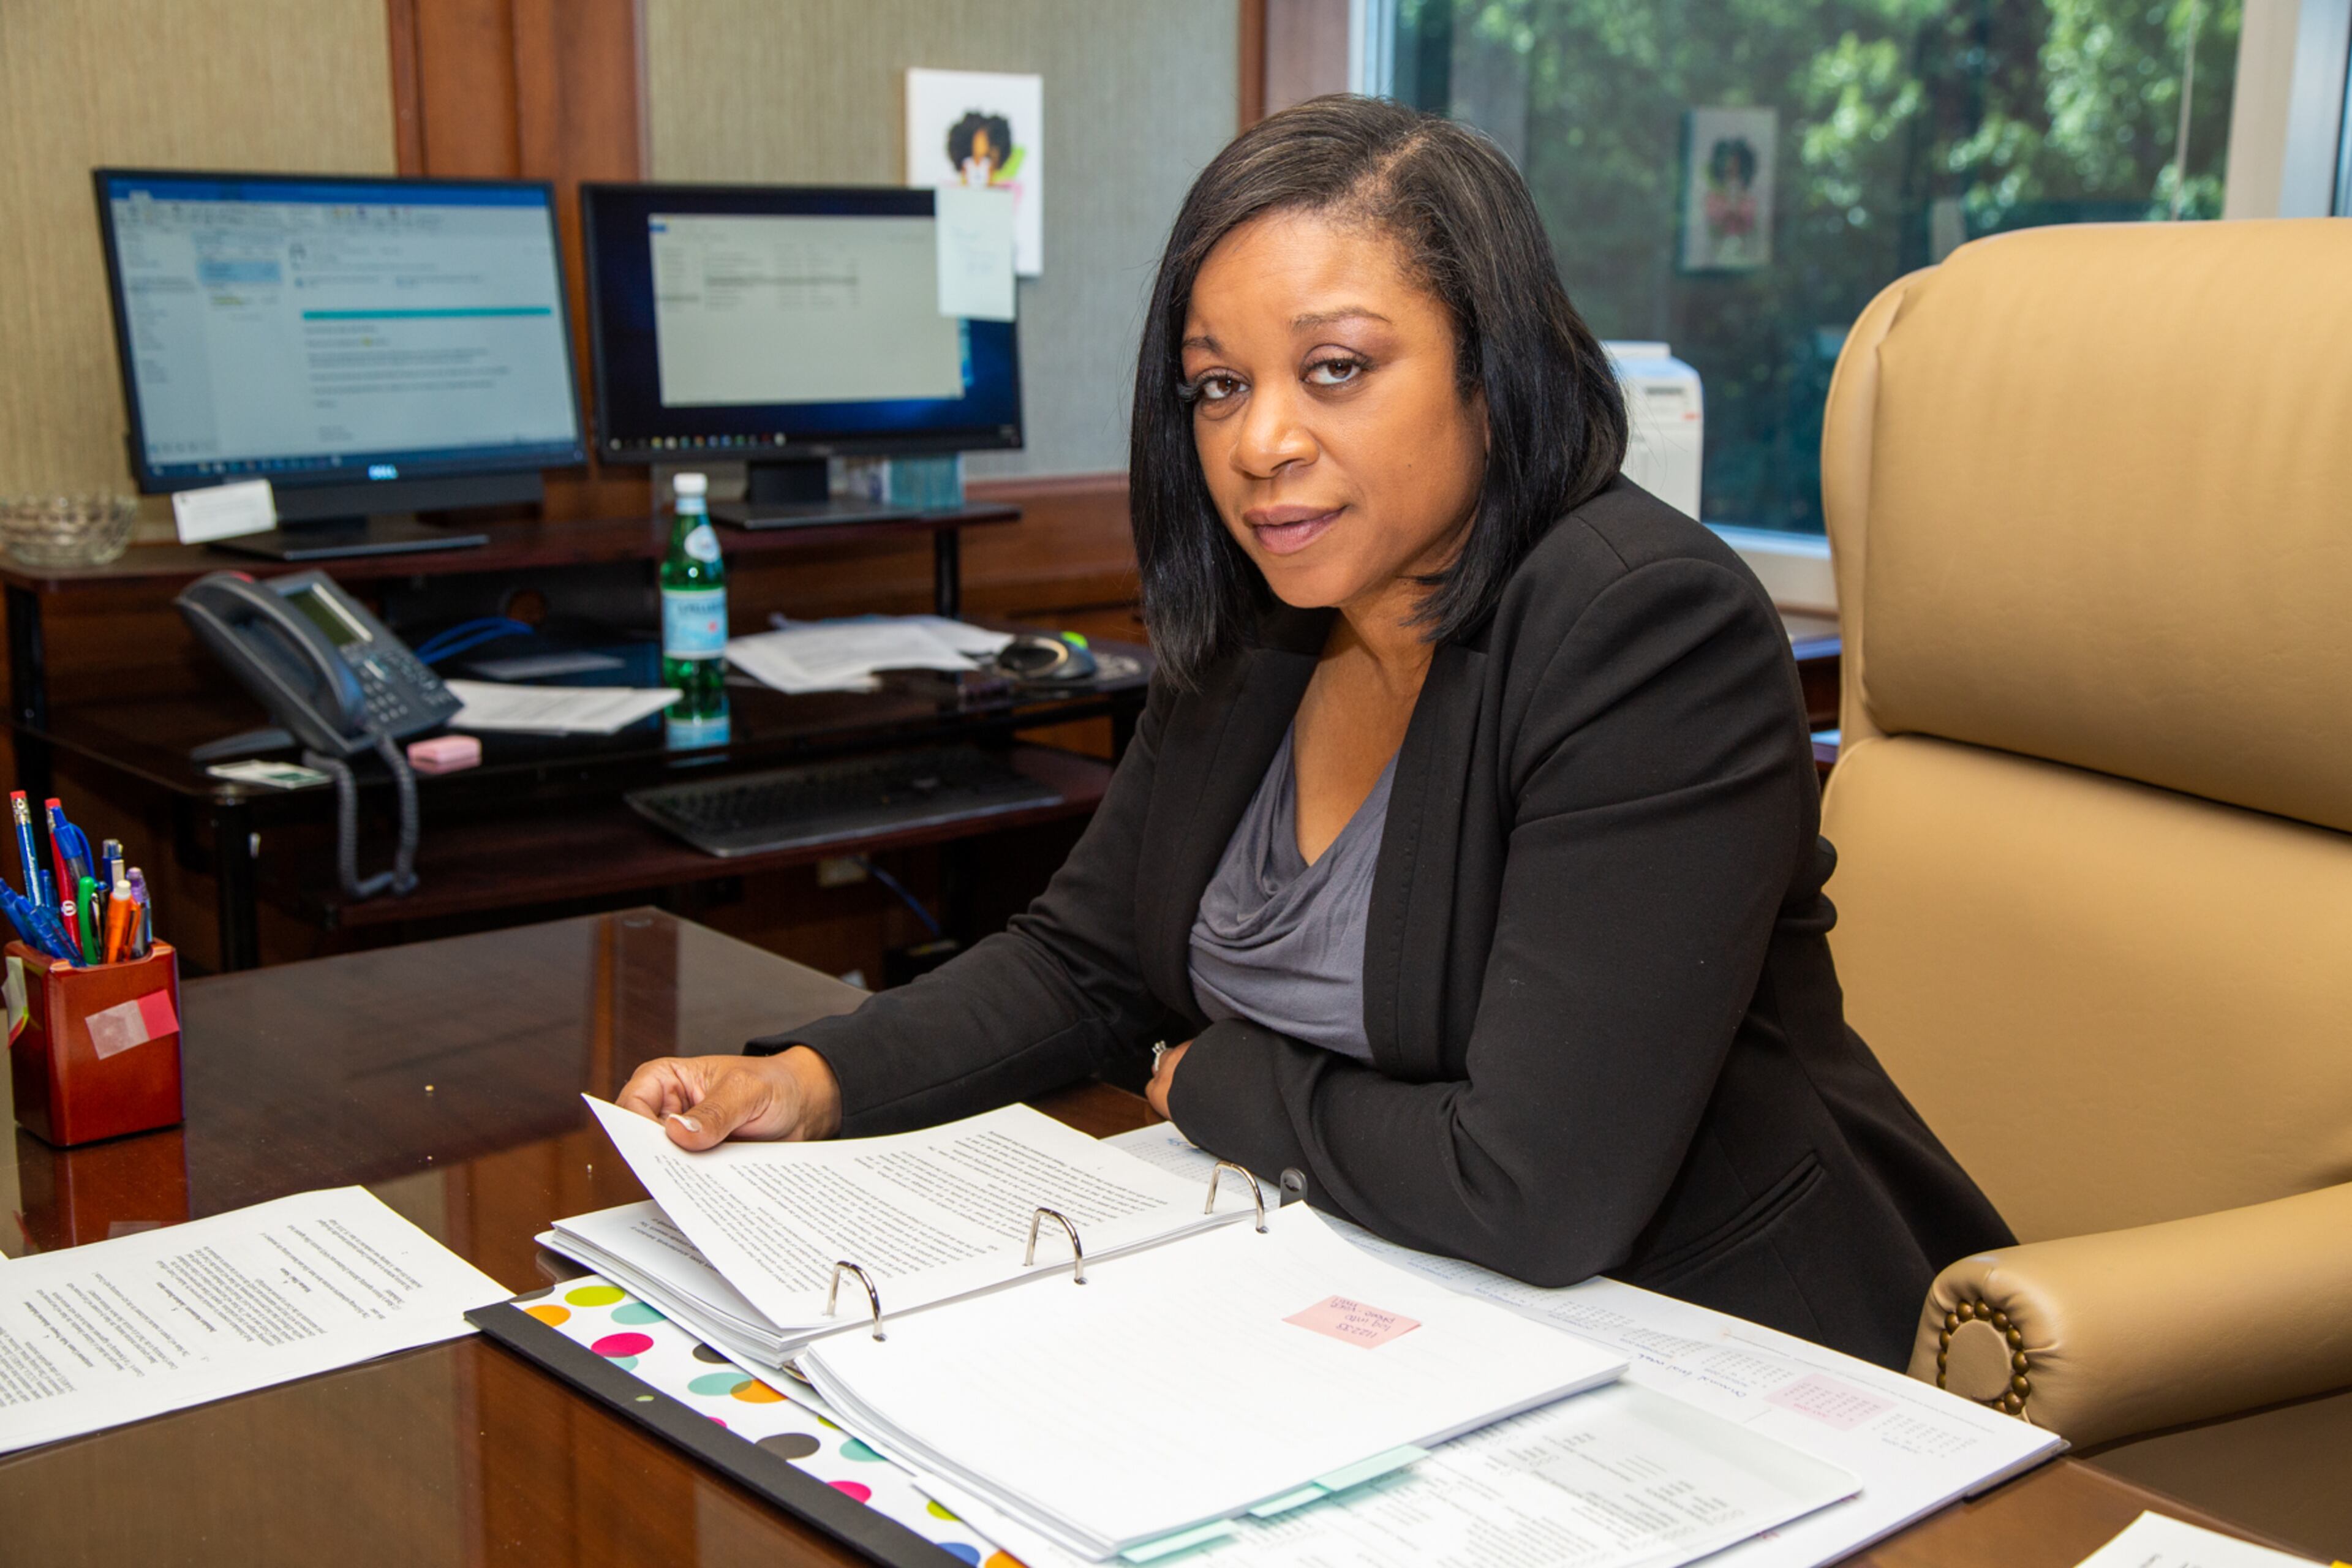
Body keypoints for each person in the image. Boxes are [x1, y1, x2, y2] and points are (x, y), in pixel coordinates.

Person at [618, 95, 2010, 1370]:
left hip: (1715, 1350)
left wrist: (1223, 1080)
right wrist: (810, 1081)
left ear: (1492, 366)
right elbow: (1087, 962)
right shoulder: (1264, 616)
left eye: (1336, 369)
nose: (1259, 441)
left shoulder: (1649, 633)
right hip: (1369, 1302)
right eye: (1219, 385)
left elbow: (1537, 1187)